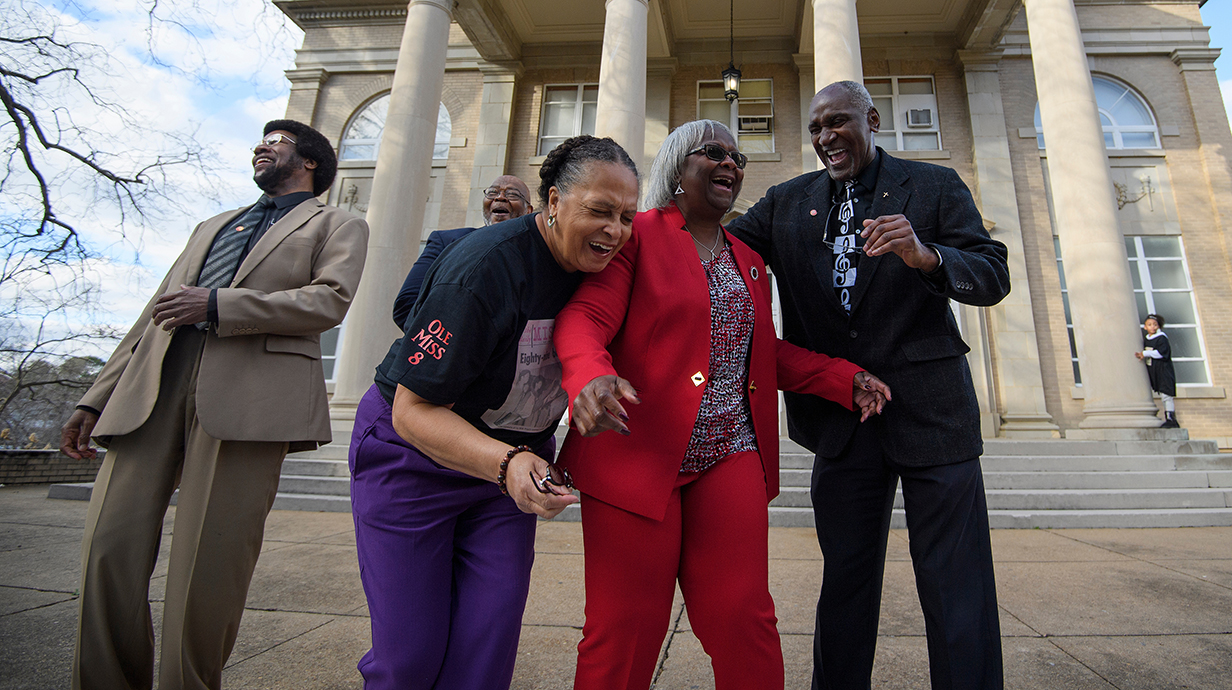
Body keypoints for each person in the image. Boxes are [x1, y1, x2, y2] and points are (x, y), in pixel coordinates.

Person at [553, 120, 891, 690]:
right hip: (637, 449)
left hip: (729, 452)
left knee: (742, 617)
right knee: (625, 627)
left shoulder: (748, 260)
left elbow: (758, 352)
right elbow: (586, 317)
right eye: (714, 153)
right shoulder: (638, 236)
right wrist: (591, 376)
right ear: (678, 168)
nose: (731, 164)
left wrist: (841, 377)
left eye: (738, 157)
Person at [58, 120, 369, 690]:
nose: (261, 147)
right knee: (109, 547)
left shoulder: (337, 222)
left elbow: (329, 301)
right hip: (152, 387)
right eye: (262, 140)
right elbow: (153, 313)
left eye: (276, 143)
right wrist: (95, 397)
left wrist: (221, 304)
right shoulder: (214, 225)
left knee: (210, 562)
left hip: (250, 398)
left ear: (309, 164)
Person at [727, 81, 1011, 690]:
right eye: (815, 128)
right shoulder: (784, 202)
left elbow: (991, 273)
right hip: (840, 422)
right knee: (846, 584)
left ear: (873, 119)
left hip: (934, 415)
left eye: (838, 122)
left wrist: (927, 255)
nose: (826, 137)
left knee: (955, 582)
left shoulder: (934, 186)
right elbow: (716, 251)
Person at [348, 135, 639, 690]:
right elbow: (413, 410)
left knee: (487, 647)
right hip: (413, 458)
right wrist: (505, 462)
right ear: (552, 201)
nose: (615, 231)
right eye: (598, 211)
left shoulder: (612, 265)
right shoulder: (484, 268)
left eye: (626, 216)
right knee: (409, 655)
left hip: (511, 468)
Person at [391, 174, 534, 329]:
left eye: (512, 194)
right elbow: (406, 304)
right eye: (492, 193)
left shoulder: (535, 257)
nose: (500, 198)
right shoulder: (446, 241)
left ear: (528, 211)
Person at [1136, 313, 1179, 428]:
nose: (1152, 327)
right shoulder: (1147, 339)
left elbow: (1161, 353)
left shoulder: (1161, 338)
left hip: (1163, 370)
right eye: (1149, 325)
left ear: (1159, 326)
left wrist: (1144, 353)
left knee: (1166, 395)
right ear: (1145, 327)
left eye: (1155, 325)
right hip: (1154, 370)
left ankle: (1171, 419)